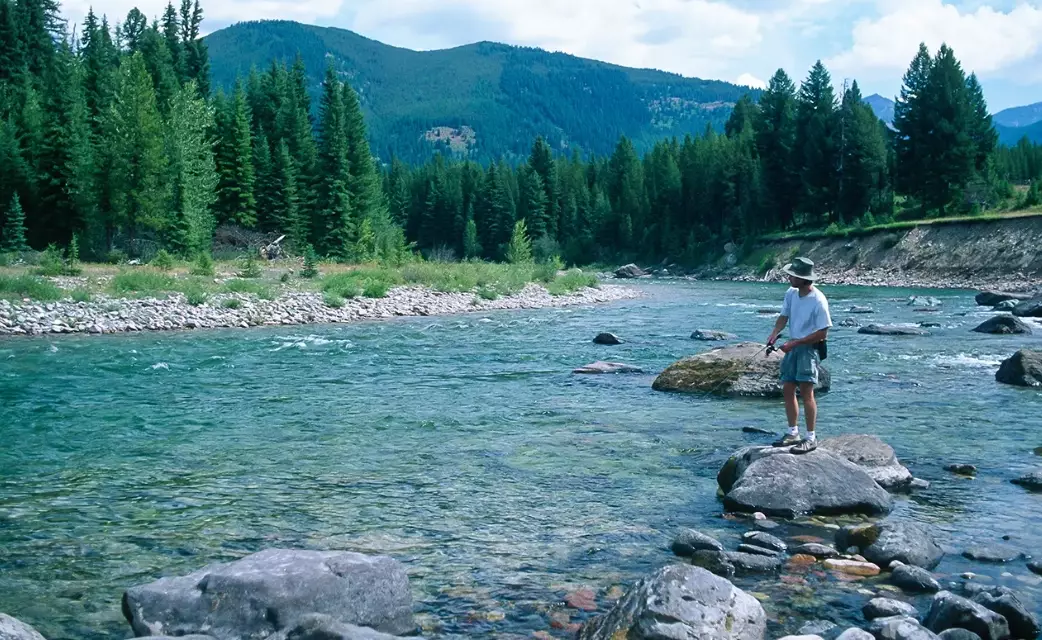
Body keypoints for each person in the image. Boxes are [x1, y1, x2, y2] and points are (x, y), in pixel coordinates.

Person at [766, 257, 832, 453]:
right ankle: (793, 433)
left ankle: (811, 438)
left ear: (804, 279)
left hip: (809, 349)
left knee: (806, 392)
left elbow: (823, 333)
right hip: (794, 346)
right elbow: (784, 316)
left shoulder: (818, 300)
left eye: (793, 276)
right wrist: (774, 333)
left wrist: (795, 343)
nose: (789, 278)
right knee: (788, 389)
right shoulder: (791, 293)